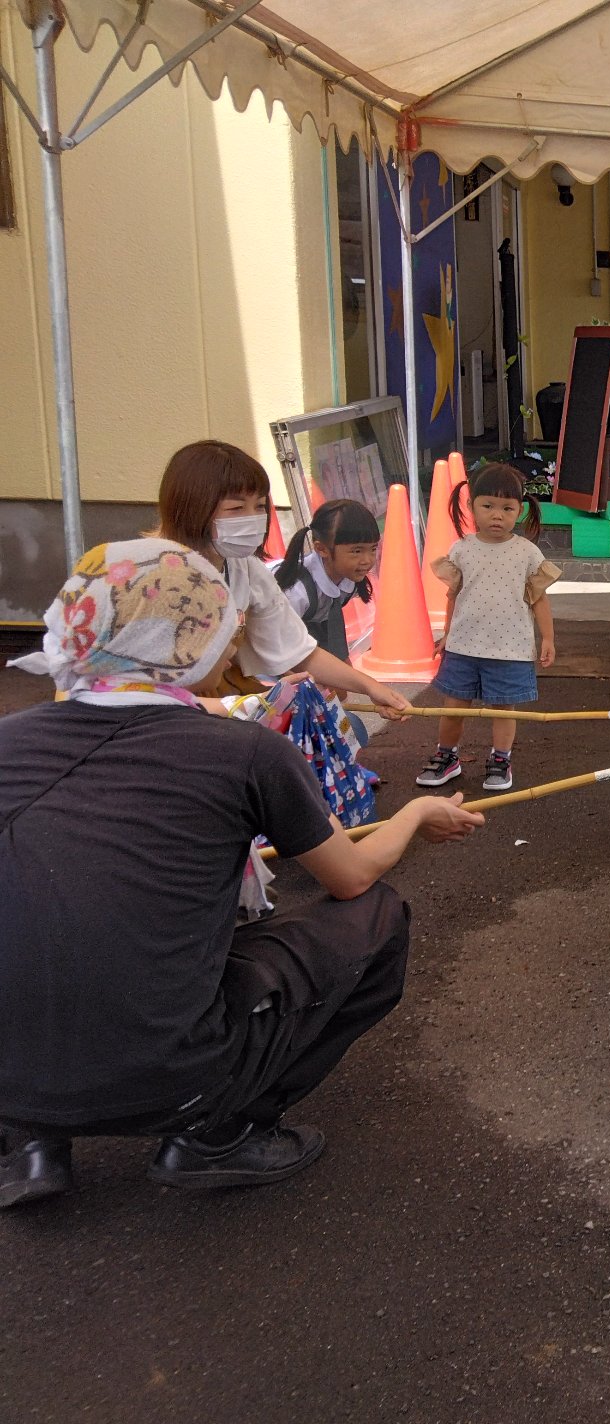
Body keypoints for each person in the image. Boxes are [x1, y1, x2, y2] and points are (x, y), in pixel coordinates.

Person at [0, 539, 484, 1211]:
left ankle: (27, 1141)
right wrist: (415, 816)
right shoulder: (244, 751)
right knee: (377, 917)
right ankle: (219, 1132)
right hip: (174, 1076)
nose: (233, 650)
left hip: (10, 1077)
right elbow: (350, 877)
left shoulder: (11, 739)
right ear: (192, 642)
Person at [138, 440, 410, 716]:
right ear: (192, 509)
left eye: (259, 506)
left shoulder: (244, 567)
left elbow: (297, 649)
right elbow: (140, 694)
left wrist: (371, 687)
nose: (254, 518)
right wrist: (259, 702)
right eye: (236, 509)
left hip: (223, 702)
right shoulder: (148, 577)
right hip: (163, 715)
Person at [417, 463, 560, 794]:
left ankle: (500, 760)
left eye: (507, 508)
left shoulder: (526, 552)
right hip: (463, 647)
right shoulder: (462, 549)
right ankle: (447, 757)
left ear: (520, 511)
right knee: (452, 708)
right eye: (488, 506)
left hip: (510, 649)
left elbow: (539, 600)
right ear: (471, 507)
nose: (498, 515)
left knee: (504, 710)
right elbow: (454, 596)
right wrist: (448, 633)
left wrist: (548, 638)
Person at [277, 498, 379, 663]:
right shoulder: (296, 593)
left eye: (373, 549)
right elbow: (275, 648)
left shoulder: (349, 577)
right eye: (357, 551)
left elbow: (334, 647)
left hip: (311, 625)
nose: (367, 560)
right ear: (321, 549)